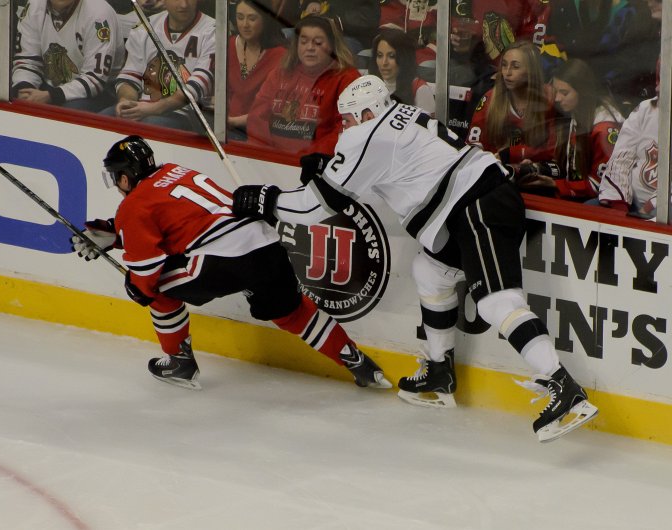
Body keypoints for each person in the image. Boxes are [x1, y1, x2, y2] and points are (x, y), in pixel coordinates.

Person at [231, 75, 599, 442]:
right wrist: (328, 169)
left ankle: (564, 388)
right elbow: (378, 172)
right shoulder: (401, 113)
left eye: (349, 117)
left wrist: (265, 200)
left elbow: (315, 206)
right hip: (467, 207)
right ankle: (439, 372)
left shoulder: (367, 135)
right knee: (430, 271)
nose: (346, 125)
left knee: (497, 302)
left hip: (476, 207)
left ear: (367, 111)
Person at [70, 135, 392, 391]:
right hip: (266, 244)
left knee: (155, 291)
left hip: (222, 260)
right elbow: (178, 224)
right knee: (290, 311)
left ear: (126, 176)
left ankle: (179, 362)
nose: (117, 184)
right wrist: (115, 235)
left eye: (116, 177)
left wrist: (135, 285)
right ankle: (357, 363)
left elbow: (146, 276)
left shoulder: (134, 205)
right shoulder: (175, 172)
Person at [246, 15, 360, 156]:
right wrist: (266, 154)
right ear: (296, 45)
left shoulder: (347, 79)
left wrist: (309, 158)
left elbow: (346, 129)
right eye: (303, 42)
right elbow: (257, 118)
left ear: (332, 46)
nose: (310, 48)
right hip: (271, 160)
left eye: (318, 43)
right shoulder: (280, 74)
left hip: (316, 165)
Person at [519, 58, 624, 201]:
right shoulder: (576, 115)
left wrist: (555, 184)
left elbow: (601, 185)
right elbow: (572, 171)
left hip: (604, 203)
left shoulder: (605, 128)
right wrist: (539, 168)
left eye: (564, 92)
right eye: (556, 91)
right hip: (579, 195)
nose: (556, 98)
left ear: (582, 92)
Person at [112, 0, 215, 131]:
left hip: (186, 114)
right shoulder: (146, 26)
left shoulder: (213, 31)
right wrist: (126, 100)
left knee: (149, 125)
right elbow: (130, 76)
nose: (184, 5)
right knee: (105, 118)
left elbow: (198, 86)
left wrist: (154, 109)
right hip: (142, 107)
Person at [12, 0, 125, 112]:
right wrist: (25, 89)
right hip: (49, 85)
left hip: (100, 92)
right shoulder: (34, 5)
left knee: (69, 111)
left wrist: (51, 96)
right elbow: (27, 61)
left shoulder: (99, 13)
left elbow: (95, 79)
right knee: (8, 94)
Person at [466, 40, 557, 168]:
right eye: (504, 65)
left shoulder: (550, 98)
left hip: (537, 176)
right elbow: (474, 145)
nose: (507, 73)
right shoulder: (490, 98)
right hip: (496, 173)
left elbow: (554, 149)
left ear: (531, 70)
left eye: (515, 66)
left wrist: (520, 157)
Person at [598, 63, 660, 216]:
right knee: (590, 209)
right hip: (630, 202)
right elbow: (621, 158)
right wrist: (619, 205)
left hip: (662, 209)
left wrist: (652, 205)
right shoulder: (645, 109)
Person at [227, 0, 287, 139]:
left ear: (265, 19)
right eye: (240, 17)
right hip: (225, 127)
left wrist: (233, 122)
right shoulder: (228, 44)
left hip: (260, 132)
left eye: (252, 18)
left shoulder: (281, 55)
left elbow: (275, 109)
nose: (244, 25)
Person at [368, 28, 417, 105]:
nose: (384, 62)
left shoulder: (418, 88)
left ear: (404, 58)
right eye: (380, 55)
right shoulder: (367, 84)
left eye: (391, 56)